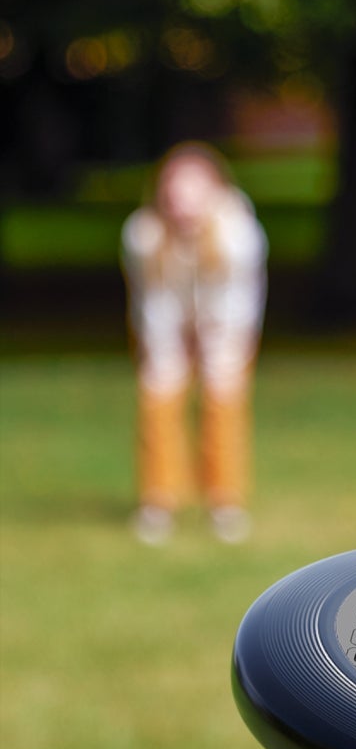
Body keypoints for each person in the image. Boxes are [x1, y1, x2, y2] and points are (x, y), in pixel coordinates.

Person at [121, 142, 268, 545]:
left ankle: (225, 502)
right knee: (158, 398)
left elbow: (239, 301)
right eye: (175, 190)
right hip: (165, 325)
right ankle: (158, 501)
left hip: (226, 326)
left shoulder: (239, 234)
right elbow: (152, 301)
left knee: (223, 402)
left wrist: (215, 343)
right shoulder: (143, 234)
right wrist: (168, 349)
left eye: (193, 190)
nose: (182, 202)